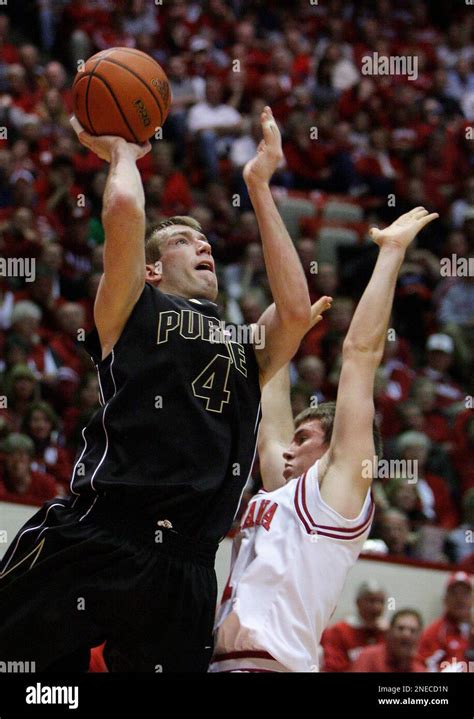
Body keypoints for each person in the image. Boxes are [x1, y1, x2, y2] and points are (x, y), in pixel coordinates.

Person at [0, 106, 312, 673]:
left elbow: (295, 310)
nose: (204, 248)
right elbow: (123, 210)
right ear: (149, 269)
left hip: (186, 567)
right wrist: (123, 154)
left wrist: (259, 186)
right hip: (100, 532)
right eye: (183, 242)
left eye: (207, 243)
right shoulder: (131, 307)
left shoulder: (245, 344)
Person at [209, 207, 439, 673]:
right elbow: (271, 387)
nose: (288, 448)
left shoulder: (336, 490)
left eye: (304, 437)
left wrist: (391, 253)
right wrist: (286, 331)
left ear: (334, 450)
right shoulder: (284, 489)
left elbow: (359, 355)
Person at [321, 580, 388, 672]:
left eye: (381, 602)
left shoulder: (389, 633)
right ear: (358, 602)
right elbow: (333, 667)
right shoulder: (339, 631)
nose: (377, 607)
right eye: (371, 601)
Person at [418, 572, 472, 672]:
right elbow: (422, 665)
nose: (459, 599)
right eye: (454, 593)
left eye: (465, 593)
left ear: (472, 599)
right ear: (445, 599)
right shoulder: (434, 632)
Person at [350, 609, 426, 673]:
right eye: (400, 628)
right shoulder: (369, 657)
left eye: (412, 631)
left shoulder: (420, 669)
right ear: (389, 632)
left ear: (419, 637)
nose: (406, 635)